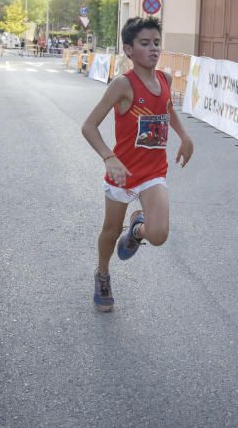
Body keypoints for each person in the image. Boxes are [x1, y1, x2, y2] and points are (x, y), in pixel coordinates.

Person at [81, 16, 194, 312]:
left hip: (154, 173)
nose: (153, 49)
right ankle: (102, 274)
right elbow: (89, 126)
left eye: (157, 43)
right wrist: (110, 157)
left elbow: (167, 108)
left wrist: (184, 135)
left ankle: (137, 230)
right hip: (124, 173)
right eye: (145, 44)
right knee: (110, 230)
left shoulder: (165, 80)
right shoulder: (122, 85)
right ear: (129, 49)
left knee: (158, 235)